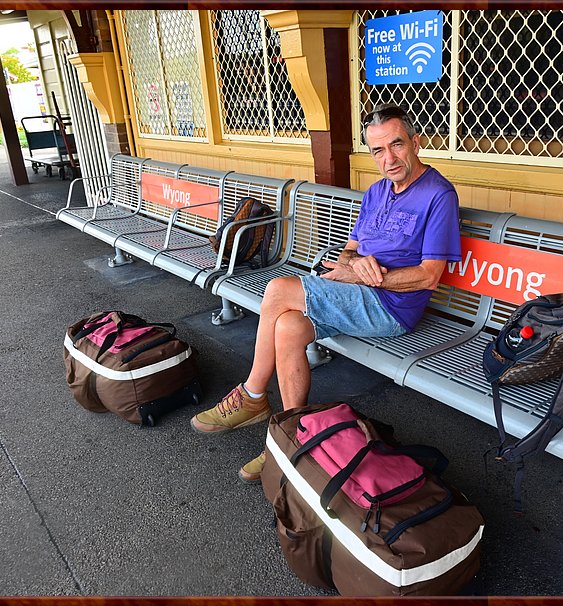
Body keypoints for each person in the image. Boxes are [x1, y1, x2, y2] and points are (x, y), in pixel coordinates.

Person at [190, 104, 462, 482]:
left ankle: (252, 395)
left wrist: (367, 277)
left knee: (278, 288)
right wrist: (351, 264)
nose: (389, 158)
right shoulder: (377, 191)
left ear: (416, 143)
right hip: (357, 292)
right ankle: (289, 438)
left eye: (397, 145)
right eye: (378, 150)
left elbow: (430, 276)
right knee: (287, 326)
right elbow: (350, 249)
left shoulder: (438, 196)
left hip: (391, 307)